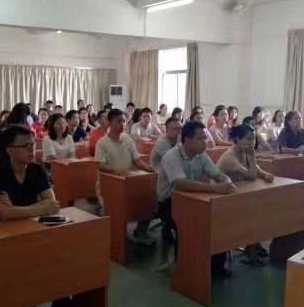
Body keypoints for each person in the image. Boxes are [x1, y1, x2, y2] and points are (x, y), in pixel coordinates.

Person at [0, 124, 61, 307]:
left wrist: (17, 210)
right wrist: (35, 208)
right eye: (25, 146)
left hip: (32, 230)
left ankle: (61, 300)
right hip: (2, 235)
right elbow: (4, 215)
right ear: (10, 150)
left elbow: (52, 205)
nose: (32, 149)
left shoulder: (37, 170)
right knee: (12, 266)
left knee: (63, 251)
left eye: (32, 144)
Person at [157, 121, 236, 270]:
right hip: (169, 203)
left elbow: (219, 175)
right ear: (187, 140)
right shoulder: (171, 156)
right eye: (200, 139)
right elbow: (181, 183)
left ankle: (215, 266)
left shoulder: (202, 156)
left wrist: (226, 182)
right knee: (192, 223)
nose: (205, 142)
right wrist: (216, 189)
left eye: (205, 138)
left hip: (194, 200)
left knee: (218, 219)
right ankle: (185, 267)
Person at [95, 109, 154, 243]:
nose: (122, 124)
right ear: (110, 122)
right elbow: (100, 165)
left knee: (148, 200)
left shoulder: (127, 139)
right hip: (108, 184)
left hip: (127, 182)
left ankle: (140, 233)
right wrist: (116, 172)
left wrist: (146, 167)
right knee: (114, 211)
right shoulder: (102, 143)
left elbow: (136, 160)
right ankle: (114, 238)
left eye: (123, 121)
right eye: (118, 121)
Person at [217, 124, 274, 263]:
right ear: (237, 139)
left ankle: (253, 244)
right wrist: (253, 156)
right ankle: (251, 250)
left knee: (262, 207)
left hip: (237, 194)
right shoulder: (230, 157)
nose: (252, 142)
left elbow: (257, 170)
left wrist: (265, 174)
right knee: (254, 211)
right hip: (221, 199)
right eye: (248, 139)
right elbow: (251, 175)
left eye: (253, 139)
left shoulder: (244, 152)